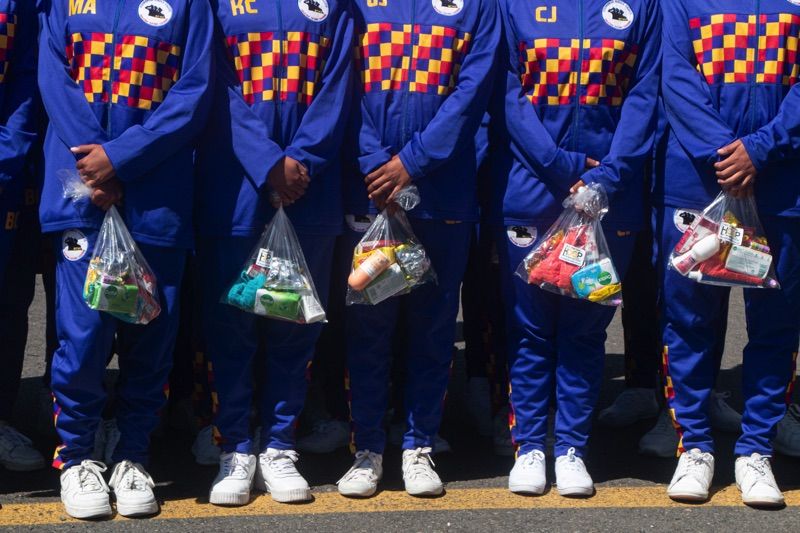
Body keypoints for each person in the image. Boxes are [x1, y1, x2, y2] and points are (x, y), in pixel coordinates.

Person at [37, 0, 213, 518]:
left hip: (157, 199)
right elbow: (55, 79)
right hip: (82, 195)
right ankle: (76, 457)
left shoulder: (190, 6)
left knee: (150, 336)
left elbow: (194, 92)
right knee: (84, 337)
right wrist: (94, 162)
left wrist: (121, 158)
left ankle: (133, 453)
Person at [493, 0, 660, 497]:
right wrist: (558, 163)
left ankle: (570, 448)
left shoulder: (640, 6)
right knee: (529, 331)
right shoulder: (513, 5)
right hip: (533, 189)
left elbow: (645, 95)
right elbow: (508, 92)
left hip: (610, 197)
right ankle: (529, 446)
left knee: (585, 331)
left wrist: (609, 175)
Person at [337, 0, 499, 498]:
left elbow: (471, 95)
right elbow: (342, 84)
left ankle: (418, 445)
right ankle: (367, 449)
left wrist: (412, 162)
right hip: (371, 191)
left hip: (442, 195)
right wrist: (375, 162)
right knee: (369, 328)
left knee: (432, 329)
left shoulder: (477, 7)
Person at [196, 0, 353, 506]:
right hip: (236, 189)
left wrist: (298, 163)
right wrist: (267, 163)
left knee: (295, 325)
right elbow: (216, 84)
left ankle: (280, 446)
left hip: (309, 191)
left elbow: (337, 89)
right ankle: (235, 446)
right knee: (231, 329)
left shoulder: (336, 6)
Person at [659, 0, 800, 507]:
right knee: (689, 322)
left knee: (776, 325)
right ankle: (694, 446)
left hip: (781, 182)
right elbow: (675, 77)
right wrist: (727, 154)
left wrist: (760, 149)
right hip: (699, 180)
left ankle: (756, 450)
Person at [0, 0, 44, 473]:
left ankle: (1, 417)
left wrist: (5, 159)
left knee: (9, 303)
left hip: (8, 175)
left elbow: (26, 83)